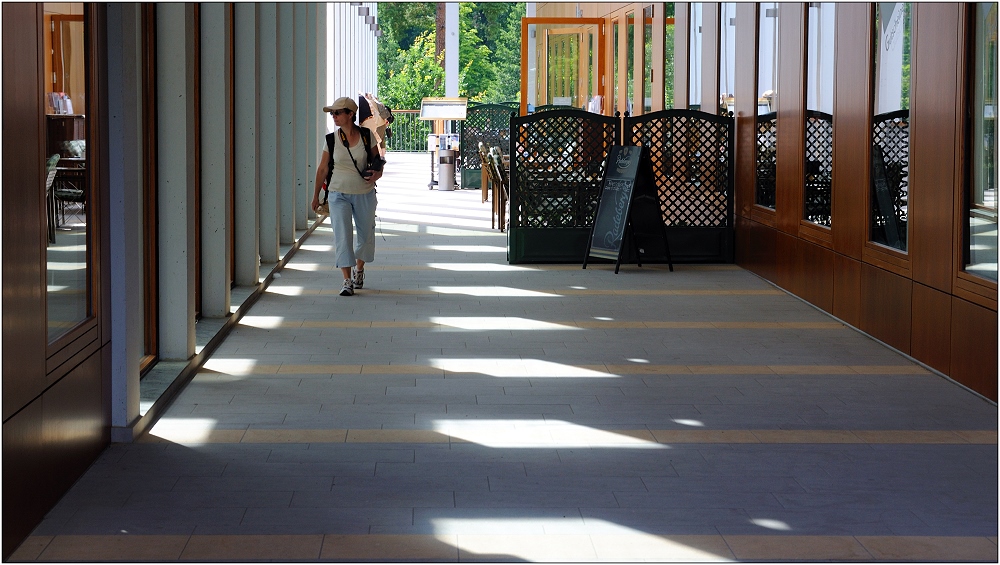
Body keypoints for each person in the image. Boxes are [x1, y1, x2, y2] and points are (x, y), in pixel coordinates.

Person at [311, 97, 384, 296]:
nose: (333, 116)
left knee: (365, 235)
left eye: (337, 112)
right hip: (338, 194)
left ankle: (359, 269)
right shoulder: (331, 140)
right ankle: (346, 280)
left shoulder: (366, 135)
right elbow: (323, 168)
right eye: (332, 113)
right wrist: (316, 195)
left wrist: (376, 174)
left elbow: (378, 162)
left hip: (364, 193)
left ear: (350, 114)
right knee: (342, 236)